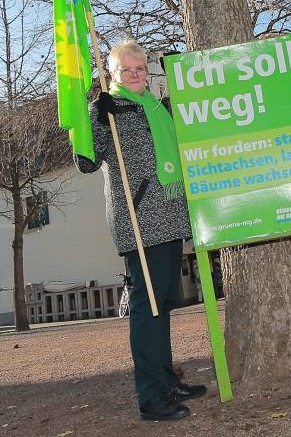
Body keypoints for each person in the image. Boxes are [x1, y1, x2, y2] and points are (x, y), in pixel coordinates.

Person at [75, 40, 206, 422]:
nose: (135, 74)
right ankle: (151, 396)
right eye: (126, 69)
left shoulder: (155, 108)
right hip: (139, 220)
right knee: (146, 306)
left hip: (169, 217)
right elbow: (85, 162)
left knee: (163, 302)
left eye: (140, 69)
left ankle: (167, 379)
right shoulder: (105, 111)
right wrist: (89, 119)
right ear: (112, 74)